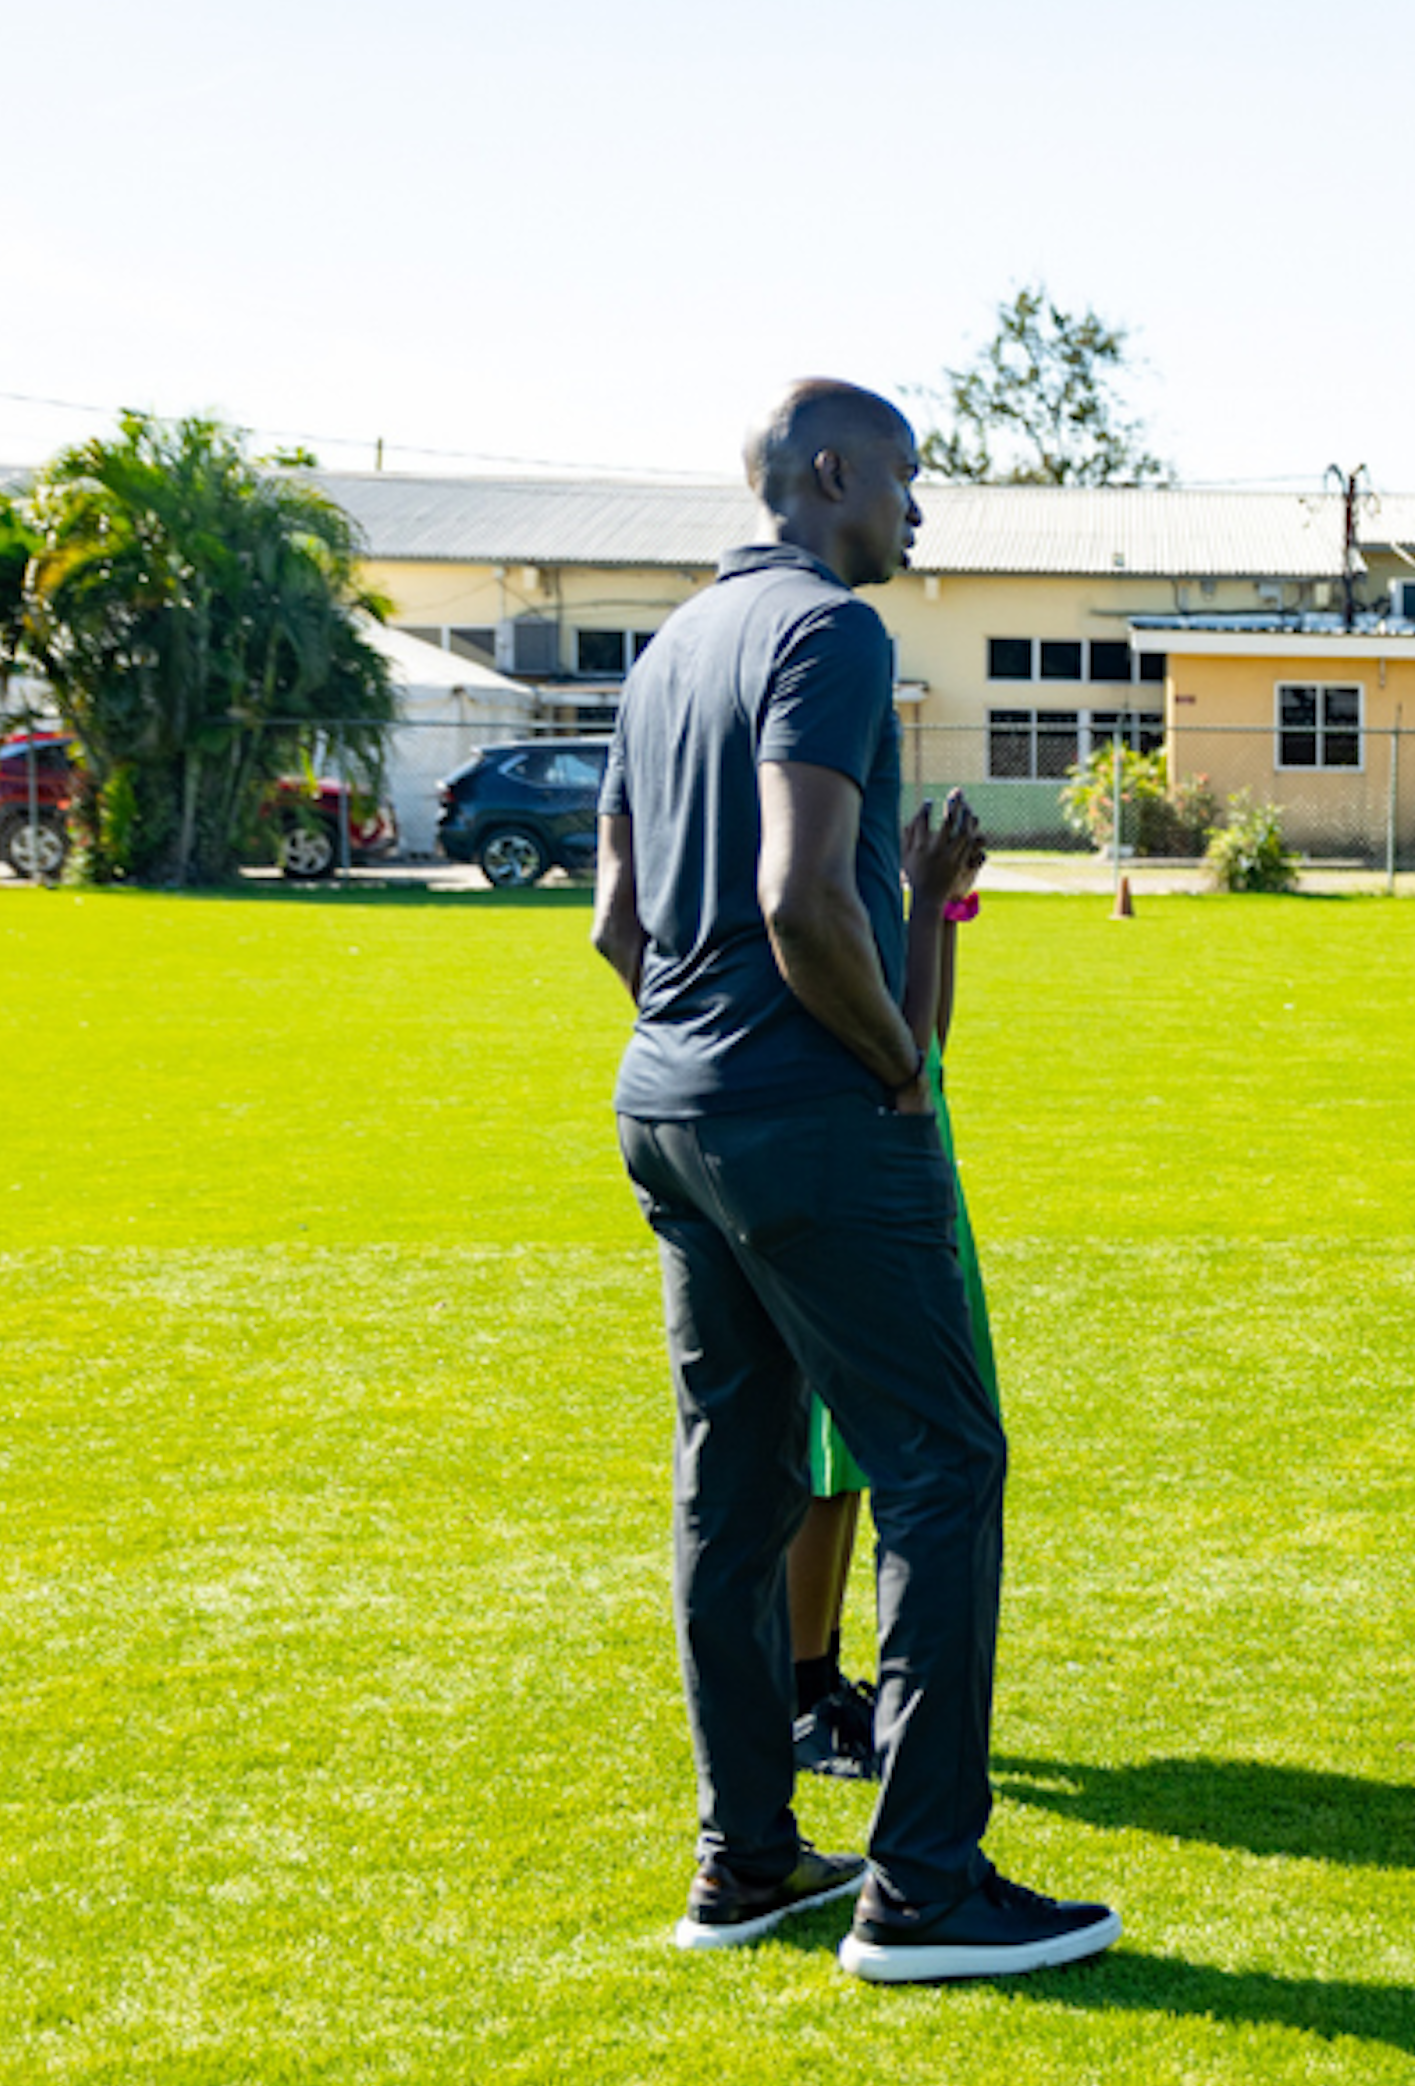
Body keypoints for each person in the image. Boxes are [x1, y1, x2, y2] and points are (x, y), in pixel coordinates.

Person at [592, 378, 1116, 1980]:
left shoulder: (670, 650)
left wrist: (716, 1056)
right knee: (945, 1467)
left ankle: (745, 1860)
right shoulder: (829, 635)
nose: (916, 513)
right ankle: (924, 1888)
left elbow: (618, 921)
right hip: (809, 1116)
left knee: (731, 1486)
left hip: (668, 1108)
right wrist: (894, 1069)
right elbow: (802, 899)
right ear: (828, 476)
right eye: (903, 480)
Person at [786, 792, 993, 1783]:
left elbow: (930, 1045)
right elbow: (901, 1060)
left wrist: (937, 907)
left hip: (911, 1186)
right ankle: (803, 1689)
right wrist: (921, 905)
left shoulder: (852, 883)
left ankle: (829, 1683)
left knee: (862, 1466)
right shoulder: (816, 897)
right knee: (830, 1468)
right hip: (867, 1196)